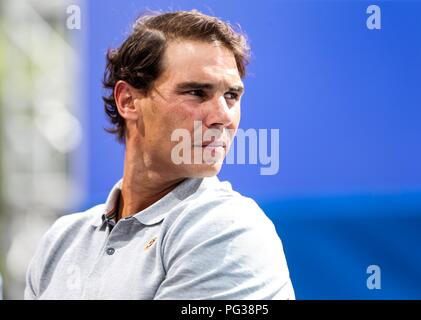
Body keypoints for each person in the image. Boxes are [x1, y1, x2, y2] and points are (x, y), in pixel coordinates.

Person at [24, 10, 295, 300]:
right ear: (128, 101)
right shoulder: (62, 240)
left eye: (232, 96)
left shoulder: (228, 227)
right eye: (195, 92)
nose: (222, 116)